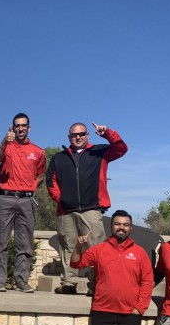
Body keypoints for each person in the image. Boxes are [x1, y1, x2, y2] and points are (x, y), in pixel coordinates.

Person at [46, 122, 128, 294]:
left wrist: (108, 133)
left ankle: (96, 283)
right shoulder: (59, 158)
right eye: (75, 135)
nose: (78, 137)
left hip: (92, 208)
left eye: (82, 134)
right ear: (69, 137)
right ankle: (69, 282)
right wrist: (62, 199)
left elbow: (121, 149)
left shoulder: (99, 152)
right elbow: (50, 181)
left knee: (96, 247)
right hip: (66, 211)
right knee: (68, 246)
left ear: (88, 135)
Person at [0, 113, 47, 293]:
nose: (20, 128)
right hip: (5, 198)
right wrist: (3, 142)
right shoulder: (7, 145)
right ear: (13, 128)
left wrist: (32, 186)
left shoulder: (38, 151)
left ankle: (21, 280)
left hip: (26, 200)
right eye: (17, 125)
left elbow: (41, 175)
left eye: (23, 125)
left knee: (25, 243)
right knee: (1, 241)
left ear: (29, 128)